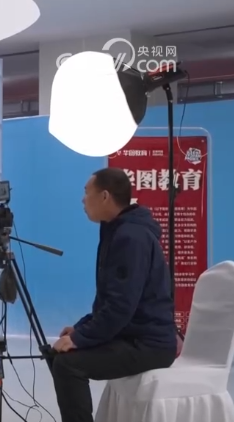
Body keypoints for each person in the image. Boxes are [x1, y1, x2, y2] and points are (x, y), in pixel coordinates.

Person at [51, 167, 177, 422]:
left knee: (67, 365)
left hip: (148, 344)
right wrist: (81, 328)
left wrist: (81, 338)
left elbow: (120, 307)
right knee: (59, 355)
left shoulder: (131, 237)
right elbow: (110, 302)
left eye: (87, 192)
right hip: (132, 334)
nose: (83, 200)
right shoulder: (118, 230)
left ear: (105, 196)